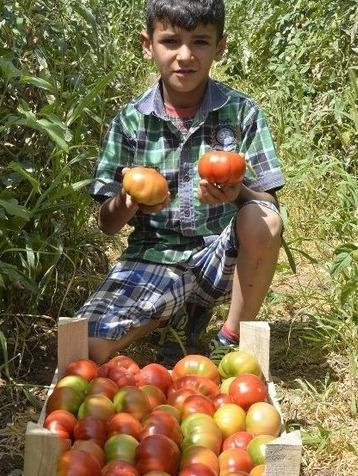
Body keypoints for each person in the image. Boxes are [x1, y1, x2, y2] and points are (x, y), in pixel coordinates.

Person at [77, 0, 284, 366]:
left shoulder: (242, 113)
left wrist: (238, 196)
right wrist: (128, 202)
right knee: (91, 344)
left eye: (200, 42)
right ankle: (174, 313)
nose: (185, 55)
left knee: (263, 219)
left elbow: (269, 206)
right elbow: (106, 224)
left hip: (220, 256)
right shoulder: (129, 123)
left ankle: (231, 335)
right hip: (155, 256)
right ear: (148, 45)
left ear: (220, 46)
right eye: (171, 41)